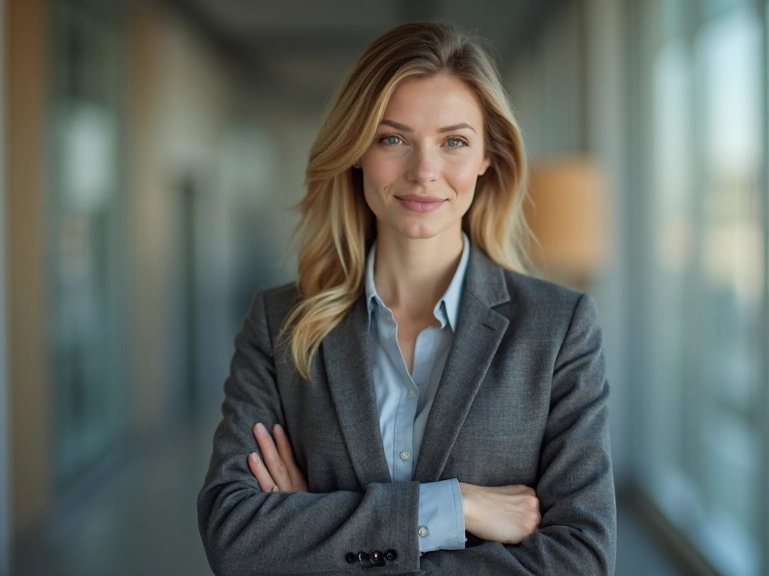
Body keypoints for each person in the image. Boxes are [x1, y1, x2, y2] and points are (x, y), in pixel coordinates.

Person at [197, 21, 615, 575]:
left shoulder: (560, 328)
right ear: (356, 152)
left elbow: (582, 560)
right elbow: (235, 537)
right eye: (392, 138)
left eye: (454, 142)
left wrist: (313, 533)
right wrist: (454, 507)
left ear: (488, 157)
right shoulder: (279, 324)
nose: (424, 172)